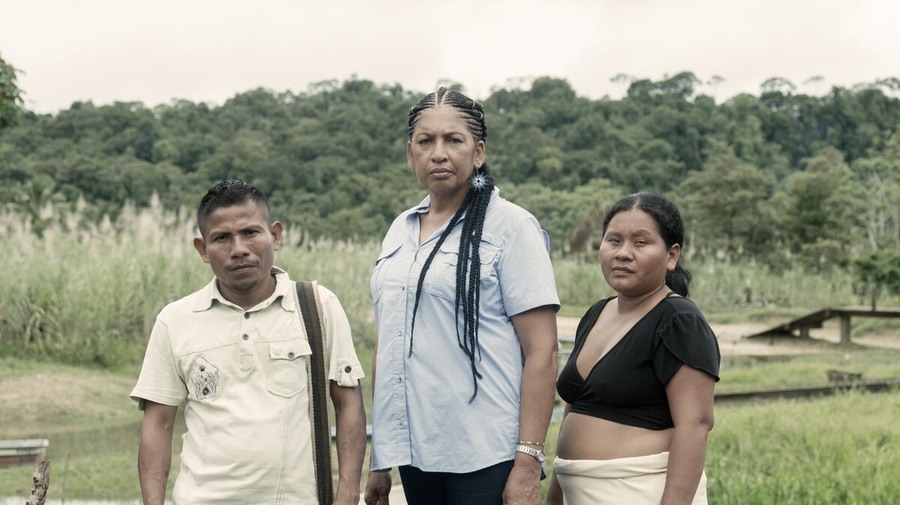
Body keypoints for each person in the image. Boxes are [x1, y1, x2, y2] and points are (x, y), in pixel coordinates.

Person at [364, 87, 560, 505]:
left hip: (486, 452)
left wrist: (527, 462)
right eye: (426, 141)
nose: (439, 153)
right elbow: (389, 344)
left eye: (453, 140)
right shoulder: (400, 228)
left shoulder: (511, 227)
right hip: (417, 450)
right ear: (410, 154)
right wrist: (381, 457)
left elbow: (542, 350)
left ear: (478, 152)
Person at [130, 179, 367, 505]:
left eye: (251, 233)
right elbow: (158, 424)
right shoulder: (176, 320)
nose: (238, 248)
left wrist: (349, 492)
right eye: (222, 238)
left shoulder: (316, 306)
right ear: (202, 249)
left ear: (276, 235)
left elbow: (348, 403)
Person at [548, 192, 720, 505]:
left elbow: (694, 426)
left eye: (640, 243)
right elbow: (575, 406)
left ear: (672, 255)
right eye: (613, 240)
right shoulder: (596, 313)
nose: (623, 253)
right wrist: (555, 496)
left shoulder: (679, 320)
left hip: (640, 493)